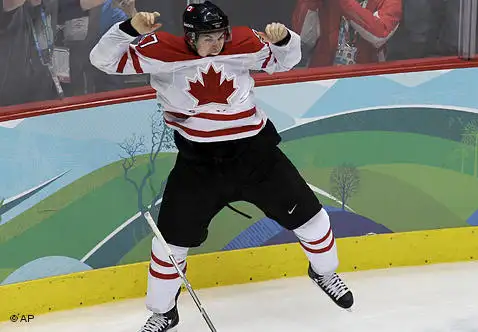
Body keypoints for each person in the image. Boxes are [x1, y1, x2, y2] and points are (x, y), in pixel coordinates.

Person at [89, 2, 354, 331]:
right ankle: (163, 312)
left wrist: (285, 38)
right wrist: (129, 30)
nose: (216, 44)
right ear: (189, 36)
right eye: (207, 38)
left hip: (256, 156)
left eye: (219, 36)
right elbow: (101, 60)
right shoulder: (161, 51)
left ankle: (324, 273)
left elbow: (288, 60)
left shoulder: (243, 43)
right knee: (170, 244)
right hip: (199, 165)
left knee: (313, 219)